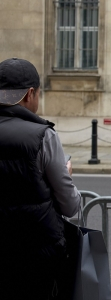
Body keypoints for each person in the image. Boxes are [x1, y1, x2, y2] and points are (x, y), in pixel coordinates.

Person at [0, 58, 81, 299]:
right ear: (30, 94)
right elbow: (70, 205)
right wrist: (65, 174)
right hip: (36, 253)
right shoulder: (43, 136)